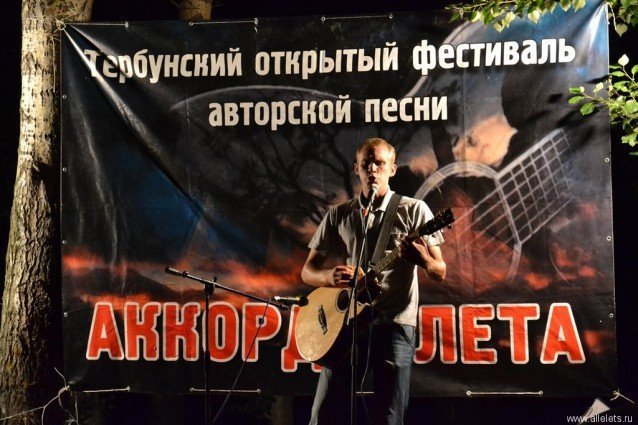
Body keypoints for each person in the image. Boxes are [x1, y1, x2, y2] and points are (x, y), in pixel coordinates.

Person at [301, 137, 446, 425]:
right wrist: (329, 276)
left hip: (394, 324)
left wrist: (424, 260)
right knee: (324, 413)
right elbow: (307, 272)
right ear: (356, 168)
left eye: (379, 163)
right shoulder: (340, 214)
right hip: (347, 324)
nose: (372, 169)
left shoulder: (415, 210)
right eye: (366, 163)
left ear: (392, 169)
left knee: (389, 416)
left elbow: (439, 271)